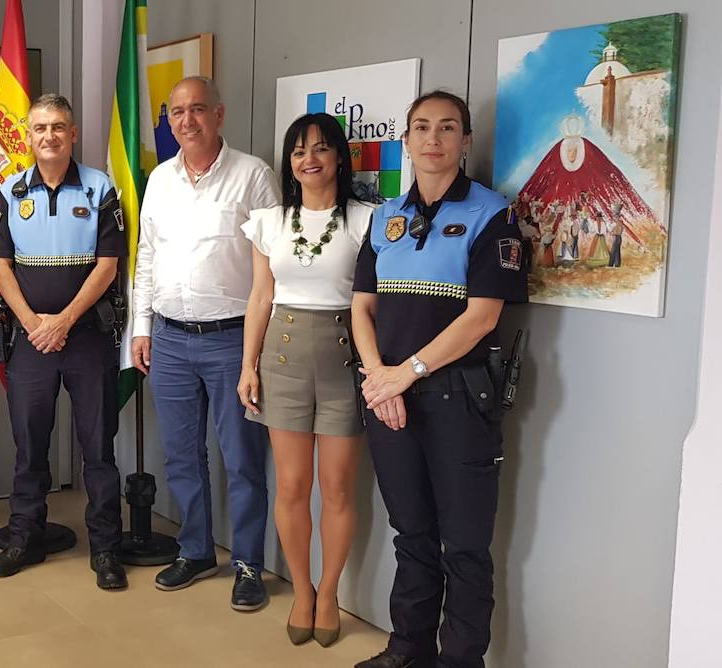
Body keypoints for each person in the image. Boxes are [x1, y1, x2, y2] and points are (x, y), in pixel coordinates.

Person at [351, 91, 527, 668]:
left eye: (447, 128)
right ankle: (408, 651)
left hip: (459, 403)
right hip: (389, 402)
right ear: (406, 139)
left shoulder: (490, 215)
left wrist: (406, 373)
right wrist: (379, 379)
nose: (433, 139)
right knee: (413, 538)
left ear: (465, 140)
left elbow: (483, 317)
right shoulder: (385, 217)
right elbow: (361, 307)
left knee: (466, 548)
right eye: (421, 127)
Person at [130, 76, 279, 611]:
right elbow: (147, 258)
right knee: (181, 457)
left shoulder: (253, 176)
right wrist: (141, 328)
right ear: (168, 121)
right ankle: (194, 551)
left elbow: (271, 271)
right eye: (176, 112)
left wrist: (256, 353)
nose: (186, 121)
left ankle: (246, 564)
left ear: (219, 114)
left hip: (231, 340)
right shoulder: (160, 181)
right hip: (168, 339)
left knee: (241, 459)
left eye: (197, 110)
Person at [238, 113, 371, 645]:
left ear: (339, 156)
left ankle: (331, 590)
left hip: (344, 355)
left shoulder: (365, 221)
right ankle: (302, 591)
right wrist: (247, 365)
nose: (308, 159)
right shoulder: (268, 221)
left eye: (319, 148)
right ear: (288, 163)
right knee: (292, 486)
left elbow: (370, 303)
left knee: (337, 488)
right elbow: (260, 296)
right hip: (283, 354)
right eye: (297, 151)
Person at [0, 94, 128, 590]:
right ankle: (24, 537)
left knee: (98, 450)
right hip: (30, 341)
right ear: (28, 135)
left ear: (73, 134)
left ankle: (107, 549)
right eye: (40, 128)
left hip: (87, 337)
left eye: (58, 127)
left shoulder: (100, 187)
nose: (49, 136)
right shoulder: (8, 190)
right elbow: (0, 265)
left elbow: (107, 266)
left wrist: (63, 321)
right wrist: (33, 323)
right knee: (30, 447)